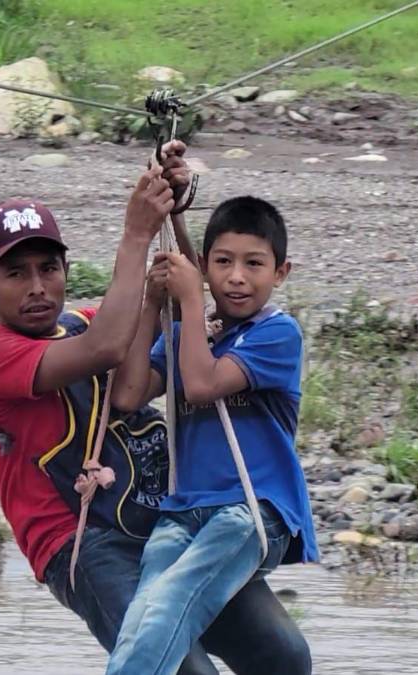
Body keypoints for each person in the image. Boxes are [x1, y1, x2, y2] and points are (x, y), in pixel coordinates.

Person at [0, 146, 311, 675]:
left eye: (48, 269)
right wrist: (137, 233)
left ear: (66, 269)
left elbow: (195, 301)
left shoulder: (85, 321)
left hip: (161, 517)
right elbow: (105, 348)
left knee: (284, 656)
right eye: (15, 274)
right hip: (83, 543)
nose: (37, 288)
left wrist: (176, 213)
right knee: (186, 670)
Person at [104, 196, 319, 675]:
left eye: (253, 264)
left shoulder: (278, 334)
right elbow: (129, 393)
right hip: (184, 510)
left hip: (253, 511)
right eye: (223, 262)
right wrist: (152, 303)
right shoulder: (190, 334)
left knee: (173, 600)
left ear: (281, 272)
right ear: (204, 266)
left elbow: (201, 385)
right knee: (145, 610)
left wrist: (190, 299)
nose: (237, 277)